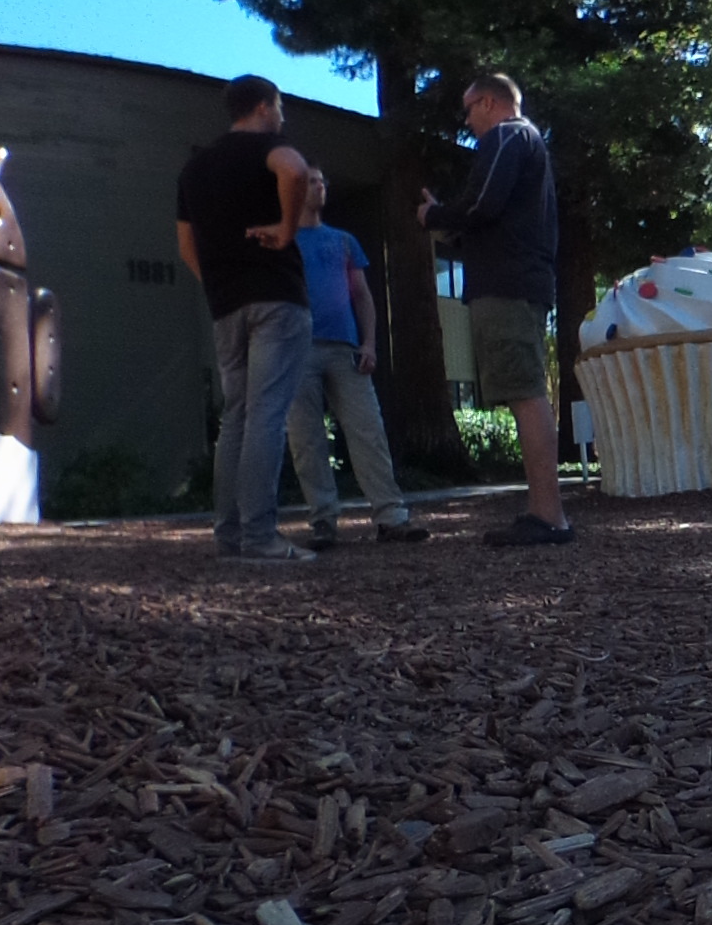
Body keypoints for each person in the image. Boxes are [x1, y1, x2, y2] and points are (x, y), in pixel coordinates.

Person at [175, 74, 322, 562]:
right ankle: (260, 536)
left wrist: (218, 281)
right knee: (266, 416)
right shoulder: (267, 146)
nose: (281, 117)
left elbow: (186, 245)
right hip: (276, 297)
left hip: (226, 306)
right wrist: (287, 227)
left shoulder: (194, 168)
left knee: (235, 417)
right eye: (279, 107)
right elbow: (295, 171)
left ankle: (230, 535)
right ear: (263, 106)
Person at [424, 71, 571, 544]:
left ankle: (548, 517)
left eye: (469, 109)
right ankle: (544, 513)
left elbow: (481, 204)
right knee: (524, 391)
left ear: (488, 102)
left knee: (525, 393)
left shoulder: (508, 137)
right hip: (519, 281)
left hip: (508, 285)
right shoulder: (528, 144)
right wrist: (452, 225)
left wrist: (434, 215)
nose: (467, 121)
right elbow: (490, 215)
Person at [284, 211, 422, 544]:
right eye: (310, 184)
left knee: (368, 429)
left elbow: (361, 294)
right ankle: (323, 520)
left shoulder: (344, 241)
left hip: (346, 349)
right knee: (306, 438)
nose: (318, 187)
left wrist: (369, 343)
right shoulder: (284, 241)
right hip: (297, 349)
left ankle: (391, 515)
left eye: (321, 184)